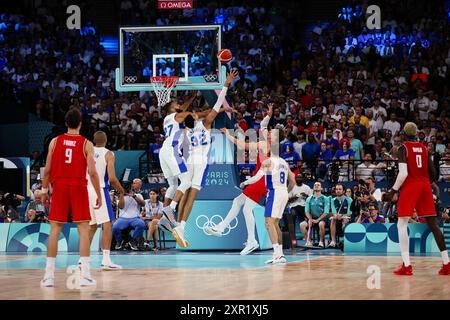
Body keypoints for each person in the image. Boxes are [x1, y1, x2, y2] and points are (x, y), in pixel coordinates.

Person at [173, 70, 238, 248]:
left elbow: (183, 113)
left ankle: (179, 226)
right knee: (193, 195)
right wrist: (226, 83)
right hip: (201, 161)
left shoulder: (184, 128)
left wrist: (190, 104)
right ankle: (182, 226)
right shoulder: (206, 123)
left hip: (189, 160)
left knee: (185, 192)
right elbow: (216, 104)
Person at [40, 109, 102, 287]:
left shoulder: (54, 141)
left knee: (54, 230)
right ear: (80, 123)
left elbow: (48, 169)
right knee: (83, 229)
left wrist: (44, 190)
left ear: (66, 123)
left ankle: (48, 277)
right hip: (78, 187)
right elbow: (92, 172)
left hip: (59, 187)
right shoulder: (86, 144)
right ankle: (85, 276)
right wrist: (98, 193)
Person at [206, 105, 274, 255]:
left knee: (246, 208)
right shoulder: (267, 140)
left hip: (260, 180)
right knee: (238, 203)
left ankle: (251, 240)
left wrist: (228, 135)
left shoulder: (264, 144)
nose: (266, 132)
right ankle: (223, 228)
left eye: (269, 133)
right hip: (261, 181)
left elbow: (242, 145)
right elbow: (263, 125)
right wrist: (268, 116)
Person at [386, 122, 449, 275]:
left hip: (411, 185)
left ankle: (406, 266)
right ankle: (447, 263)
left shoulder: (403, 148)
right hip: (425, 184)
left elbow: (403, 174)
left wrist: (393, 190)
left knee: (401, 224)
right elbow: (433, 172)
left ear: (403, 134)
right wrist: (427, 184)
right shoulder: (424, 148)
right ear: (416, 134)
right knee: (433, 223)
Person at [240, 155, 295, 264]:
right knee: (275, 223)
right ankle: (280, 254)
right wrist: (285, 192)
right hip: (283, 192)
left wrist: (244, 183)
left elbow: (256, 178)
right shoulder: (284, 162)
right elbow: (292, 181)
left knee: (269, 222)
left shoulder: (268, 161)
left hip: (274, 192)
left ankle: (277, 255)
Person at [86, 131, 125, 270]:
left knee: (92, 225)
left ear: (94, 140)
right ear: (106, 140)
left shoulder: (87, 151)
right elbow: (113, 178)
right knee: (107, 223)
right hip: (99, 189)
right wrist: (121, 190)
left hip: (86, 189)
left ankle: (82, 259)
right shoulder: (109, 154)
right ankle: (106, 260)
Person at [158, 91, 197, 227]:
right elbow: (184, 112)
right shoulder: (176, 116)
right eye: (175, 104)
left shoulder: (167, 119)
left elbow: (183, 109)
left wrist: (191, 98)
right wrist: (192, 113)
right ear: (171, 108)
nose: (178, 104)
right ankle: (171, 208)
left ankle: (164, 216)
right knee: (187, 181)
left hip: (163, 151)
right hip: (172, 151)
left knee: (173, 185)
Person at [113, 179, 146, 250]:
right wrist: (122, 195)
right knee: (115, 227)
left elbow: (143, 204)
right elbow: (121, 207)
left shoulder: (138, 195)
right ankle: (119, 241)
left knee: (141, 224)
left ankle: (133, 240)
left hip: (135, 218)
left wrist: (134, 196)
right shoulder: (120, 196)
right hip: (123, 218)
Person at [300, 181, 330, 247]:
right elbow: (307, 211)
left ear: (321, 188)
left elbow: (326, 212)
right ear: (313, 188)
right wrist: (310, 219)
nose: (316, 186)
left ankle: (321, 242)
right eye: (315, 185)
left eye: (318, 185)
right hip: (312, 219)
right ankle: (309, 241)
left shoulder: (325, 198)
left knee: (321, 224)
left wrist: (318, 220)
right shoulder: (309, 198)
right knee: (302, 225)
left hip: (322, 219)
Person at [285, 175, 312, 247]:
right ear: (295, 179)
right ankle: (292, 238)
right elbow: (288, 200)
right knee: (293, 214)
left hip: (304, 206)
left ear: (303, 178)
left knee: (307, 218)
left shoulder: (307, 187)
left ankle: (308, 237)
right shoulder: (292, 187)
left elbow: (311, 200)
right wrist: (295, 197)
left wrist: (306, 196)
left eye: (300, 177)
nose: (299, 179)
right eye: (297, 177)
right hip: (293, 206)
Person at [329, 183, 352, 248]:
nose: (338, 191)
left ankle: (345, 241)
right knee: (333, 219)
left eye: (340, 189)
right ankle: (333, 241)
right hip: (337, 218)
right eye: (336, 189)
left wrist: (341, 215)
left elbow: (349, 213)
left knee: (345, 219)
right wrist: (336, 216)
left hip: (346, 217)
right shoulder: (333, 200)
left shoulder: (349, 200)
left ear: (343, 191)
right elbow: (334, 212)